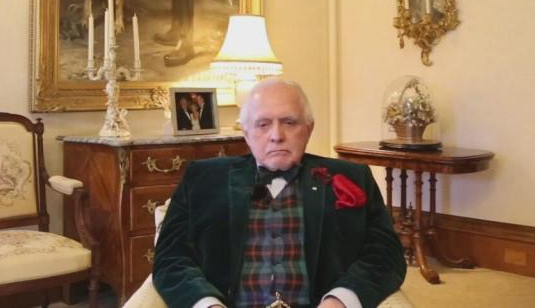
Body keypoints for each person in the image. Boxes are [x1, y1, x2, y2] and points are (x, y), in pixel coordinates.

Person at [153, 79, 406, 308]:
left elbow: (385, 255)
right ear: (247, 133)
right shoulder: (203, 179)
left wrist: (340, 300)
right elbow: (171, 257)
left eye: (289, 122)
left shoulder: (354, 177)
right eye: (263, 124)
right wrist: (207, 304)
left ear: (308, 129)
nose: (276, 136)